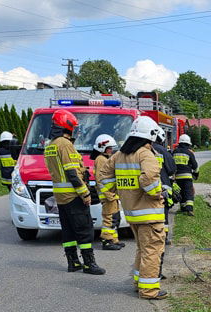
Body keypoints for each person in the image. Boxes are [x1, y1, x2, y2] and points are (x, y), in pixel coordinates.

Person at [97, 116, 168, 299]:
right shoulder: (145, 154)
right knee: (152, 251)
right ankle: (149, 290)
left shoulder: (119, 155)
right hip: (149, 214)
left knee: (142, 249)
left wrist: (115, 192)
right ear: (151, 135)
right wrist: (157, 193)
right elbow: (149, 179)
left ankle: (139, 282)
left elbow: (103, 177)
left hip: (132, 214)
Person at [44, 109, 105, 275]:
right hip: (73, 196)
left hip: (60, 197)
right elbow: (72, 173)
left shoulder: (50, 146)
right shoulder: (65, 144)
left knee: (68, 231)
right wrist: (85, 194)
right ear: (67, 126)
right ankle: (88, 264)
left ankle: (73, 263)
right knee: (85, 230)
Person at [90, 133, 124, 251]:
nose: (111, 151)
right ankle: (107, 241)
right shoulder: (101, 159)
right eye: (109, 148)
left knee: (115, 217)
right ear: (102, 147)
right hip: (108, 195)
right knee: (109, 218)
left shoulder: (105, 158)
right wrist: (109, 195)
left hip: (112, 194)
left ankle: (114, 239)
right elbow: (100, 180)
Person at [152, 134, 177, 247]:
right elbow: (171, 169)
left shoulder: (143, 150)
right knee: (163, 213)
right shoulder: (162, 151)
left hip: (147, 187)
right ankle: (164, 237)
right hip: (162, 186)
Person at [172, 134, 198, 216]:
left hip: (177, 177)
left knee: (181, 192)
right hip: (187, 176)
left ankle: (183, 208)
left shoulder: (174, 152)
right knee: (188, 192)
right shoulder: (189, 153)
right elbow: (195, 166)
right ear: (188, 144)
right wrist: (196, 174)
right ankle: (189, 209)